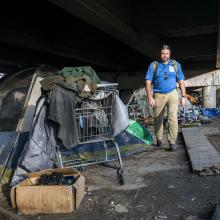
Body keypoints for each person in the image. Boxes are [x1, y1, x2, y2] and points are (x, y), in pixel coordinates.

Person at [145, 45, 186, 151]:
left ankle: (172, 142)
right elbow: (148, 82)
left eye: (167, 53)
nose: (165, 55)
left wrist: (183, 96)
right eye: (163, 53)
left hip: (172, 93)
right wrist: (150, 97)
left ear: (170, 54)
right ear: (160, 54)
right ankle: (159, 139)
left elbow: (181, 81)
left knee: (173, 117)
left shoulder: (176, 65)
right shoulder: (154, 65)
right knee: (158, 118)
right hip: (158, 95)